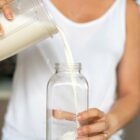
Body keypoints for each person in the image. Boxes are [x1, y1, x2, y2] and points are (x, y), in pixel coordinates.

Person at [0, 0, 140, 140]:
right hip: (22, 135)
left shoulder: (127, 9)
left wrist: (110, 122)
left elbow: (132, 92)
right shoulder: (25, 2)